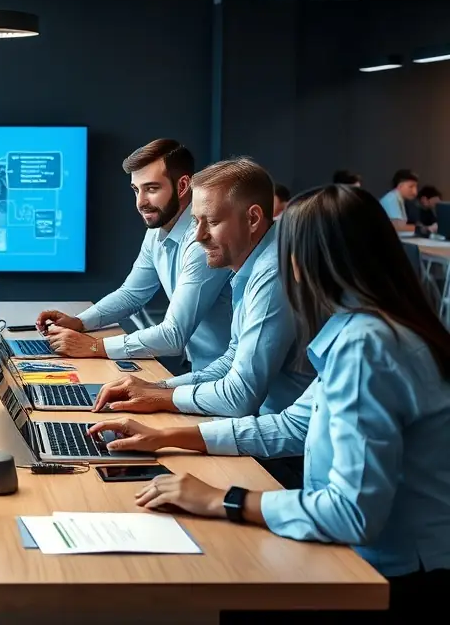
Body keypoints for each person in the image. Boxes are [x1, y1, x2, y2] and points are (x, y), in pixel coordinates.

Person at [89, 184, 450, 621]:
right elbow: (292, 425)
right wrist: (168, 436)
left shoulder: (366, 346)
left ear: (302, 262)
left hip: (388, 579)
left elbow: (351, 513)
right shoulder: (371, 330)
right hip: (372, 563)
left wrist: (221, 500)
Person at [90, 158, 312, 422]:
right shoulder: (250, 266)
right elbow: (232, 358)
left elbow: (240, 396)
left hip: (287, 449)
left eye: (213, 222)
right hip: (264, 426)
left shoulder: (271, 273)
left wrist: (158, 397)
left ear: (252, 218)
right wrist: (156, 388)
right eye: (196, 221)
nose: (198, 236)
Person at [36, 139, 232, 372]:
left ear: (182, 187)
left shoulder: (203, 239)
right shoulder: (158, 230)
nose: (141, 202)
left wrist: (93, 347)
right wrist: (79, 322)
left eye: (151, 188)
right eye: (136, 190)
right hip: (204, 372)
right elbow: (132, 295)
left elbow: (173, 336)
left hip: (235, 383)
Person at [380, 169, 421, 234]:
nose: (415, 192)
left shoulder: (398, 199)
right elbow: (397, 227)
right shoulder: (391, 199)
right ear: (400, 186)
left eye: (416, 187)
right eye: (411, 186)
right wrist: (422, 229)